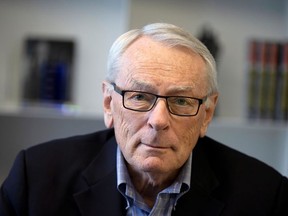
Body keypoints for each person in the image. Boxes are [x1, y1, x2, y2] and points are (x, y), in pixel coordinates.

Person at [0, 23, 288, 216]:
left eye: (181, 100)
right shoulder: (35, 180)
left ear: (207, 114)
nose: (159, 120)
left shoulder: (265, 197)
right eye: (139, 96)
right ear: (108, 103)